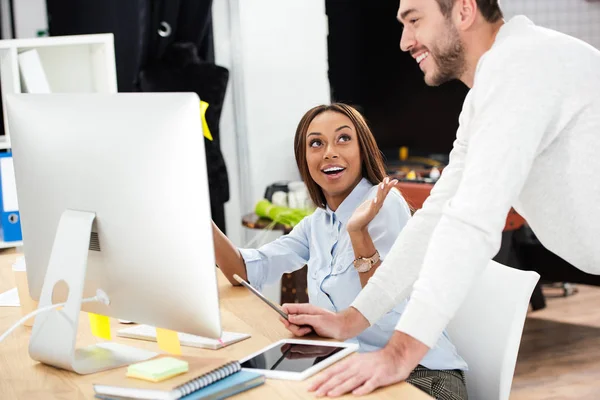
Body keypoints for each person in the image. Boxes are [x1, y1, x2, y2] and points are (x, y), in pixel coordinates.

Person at [281, 0, 600, 396]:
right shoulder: (491, 86)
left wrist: (400, 352)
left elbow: (471, 223)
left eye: (414, 20)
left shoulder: (522, 66)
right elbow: (435, 217)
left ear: (464, 10)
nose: (404, 41)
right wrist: (352, 320)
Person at [212, 103, 469, 398]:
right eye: (316, 143)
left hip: (419, 374)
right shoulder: (318, 223)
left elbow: (386, 311)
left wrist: (358, 234)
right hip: (355, 368)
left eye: (343, 139)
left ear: (363, 150)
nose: (329, 152)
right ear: (304, 159)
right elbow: (243, 271)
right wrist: (199, 216)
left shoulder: (383, 204)